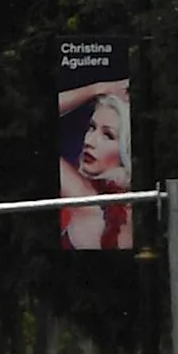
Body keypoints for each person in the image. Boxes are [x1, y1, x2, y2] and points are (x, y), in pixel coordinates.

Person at [57, 80, 133, 250]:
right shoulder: (141, 204)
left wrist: (97, 88)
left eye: (108, 135)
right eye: (92, 128)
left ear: (126, 150)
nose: (88, 141)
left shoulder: (82, 196)